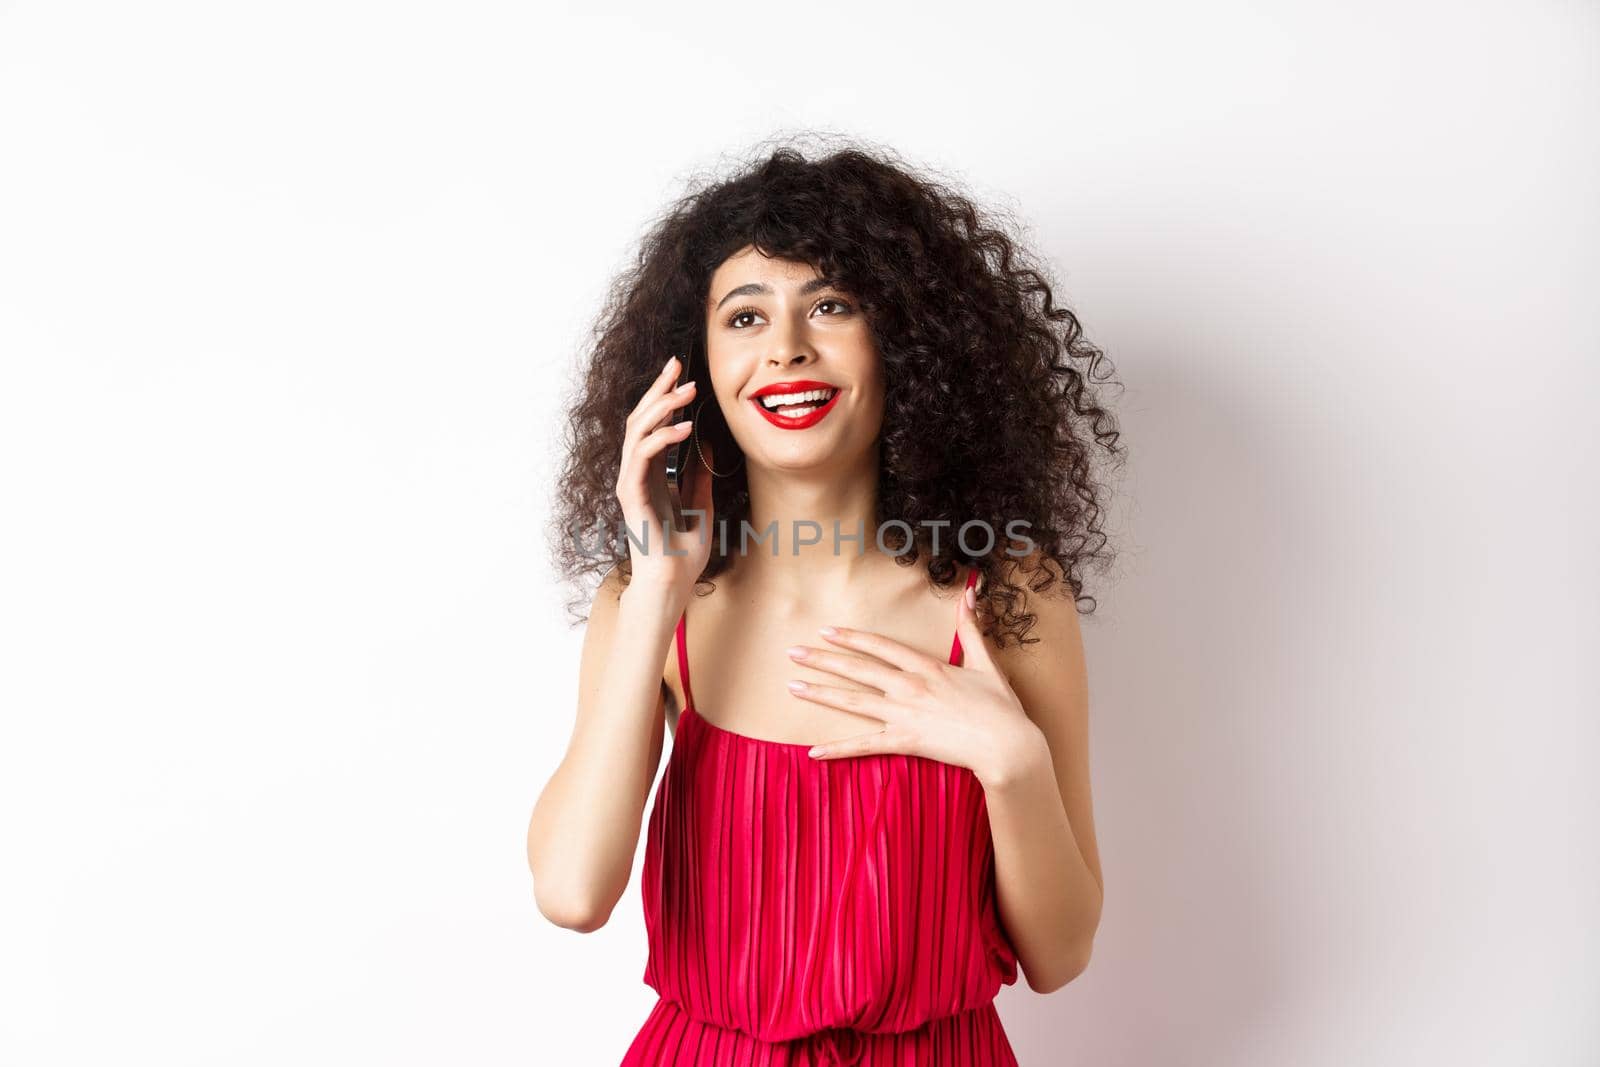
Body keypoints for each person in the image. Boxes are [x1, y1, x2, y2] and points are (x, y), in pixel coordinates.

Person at [528, 137, 1119, 1066]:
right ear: (694, 366)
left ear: (907, 342)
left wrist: (1010, 757)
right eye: (745, 316)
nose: (788, 348)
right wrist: (655, 592)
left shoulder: (1007, 597)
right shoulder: (652, 606)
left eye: (831, 305)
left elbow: (1060, 952)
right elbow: (570, 892)